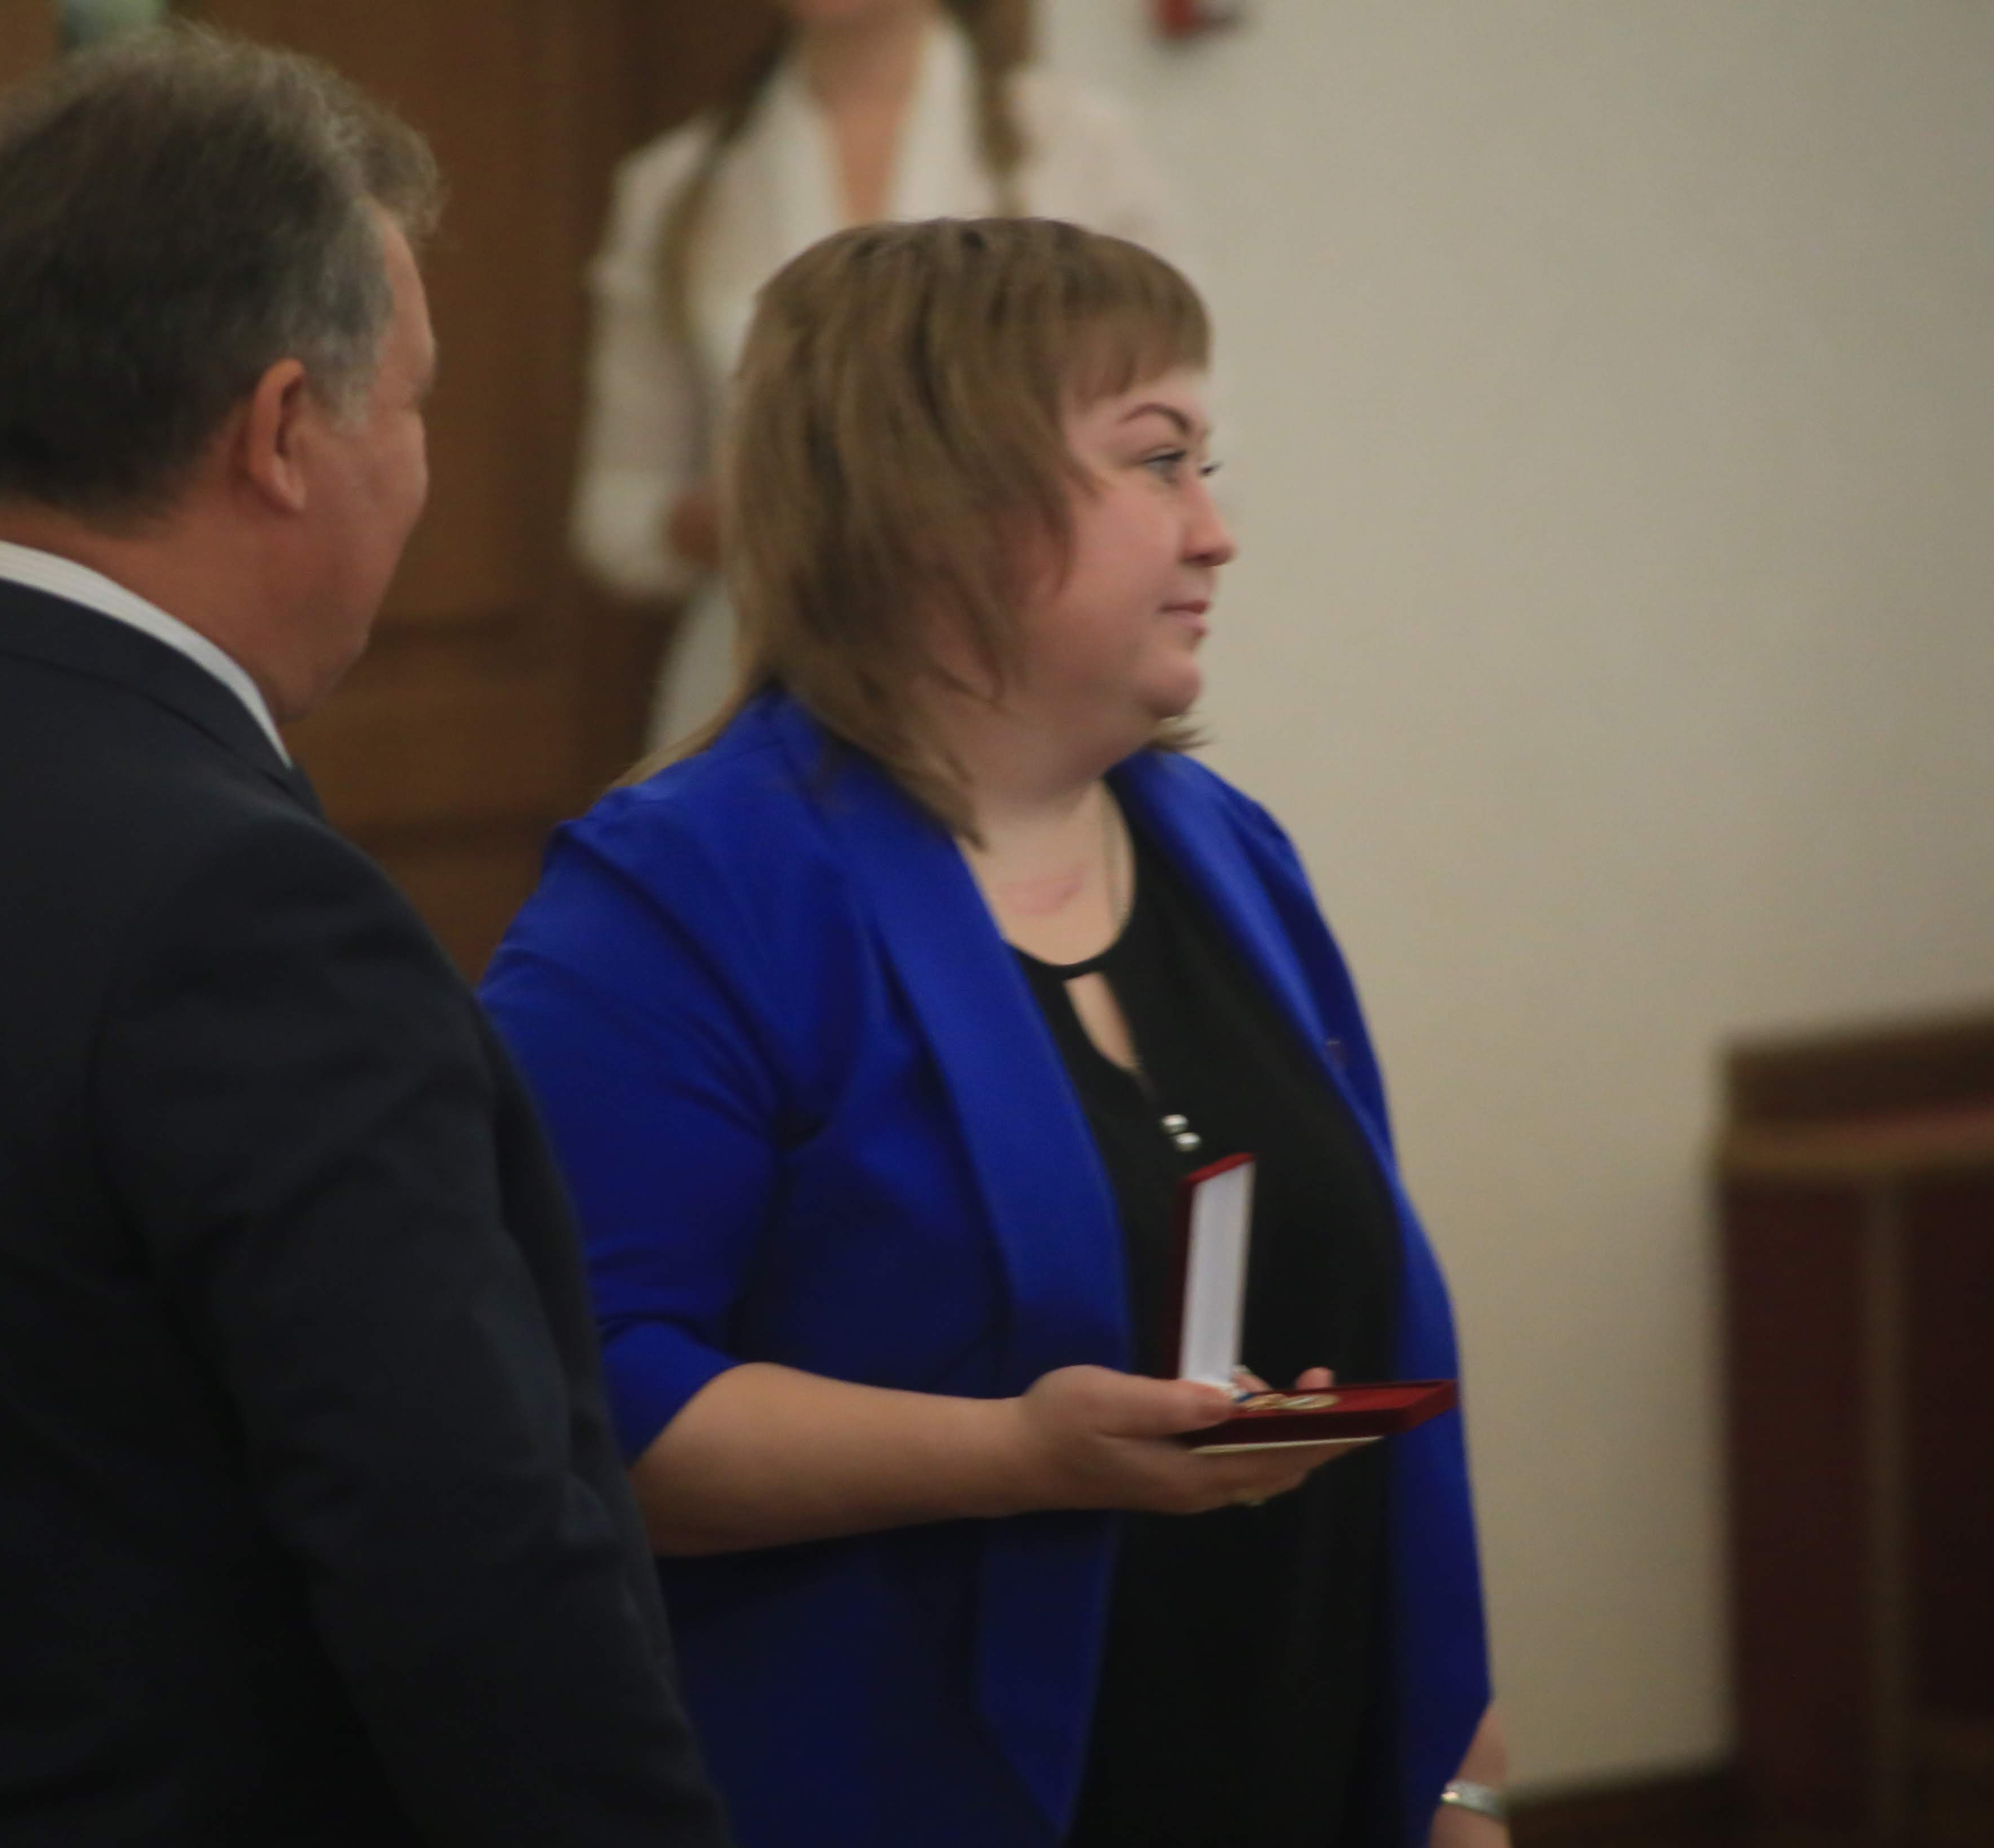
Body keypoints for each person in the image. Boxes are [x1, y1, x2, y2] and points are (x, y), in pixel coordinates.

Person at [0, 32, 728, 1847]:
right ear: (285, 431)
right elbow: (468, 1562)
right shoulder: (251, 913)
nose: (421, 471)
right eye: (412, 406)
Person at [483, 219, 1508, 1848]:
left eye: (1206, 465)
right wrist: (1017, 1454)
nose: (1217, 531)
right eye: (1157, 461)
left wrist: (1457, 1786)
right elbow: (582, 1413)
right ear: (943, 501)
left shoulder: (1226, 852)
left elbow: (1384, 1338)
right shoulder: (680, 897)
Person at [572, 0, 1190, 750]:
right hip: (765, 683)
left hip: (1030, 677)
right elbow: (618, 514)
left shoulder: (1074, 148)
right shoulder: (678, 185)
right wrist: (775, 511)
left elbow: (1181, 453)